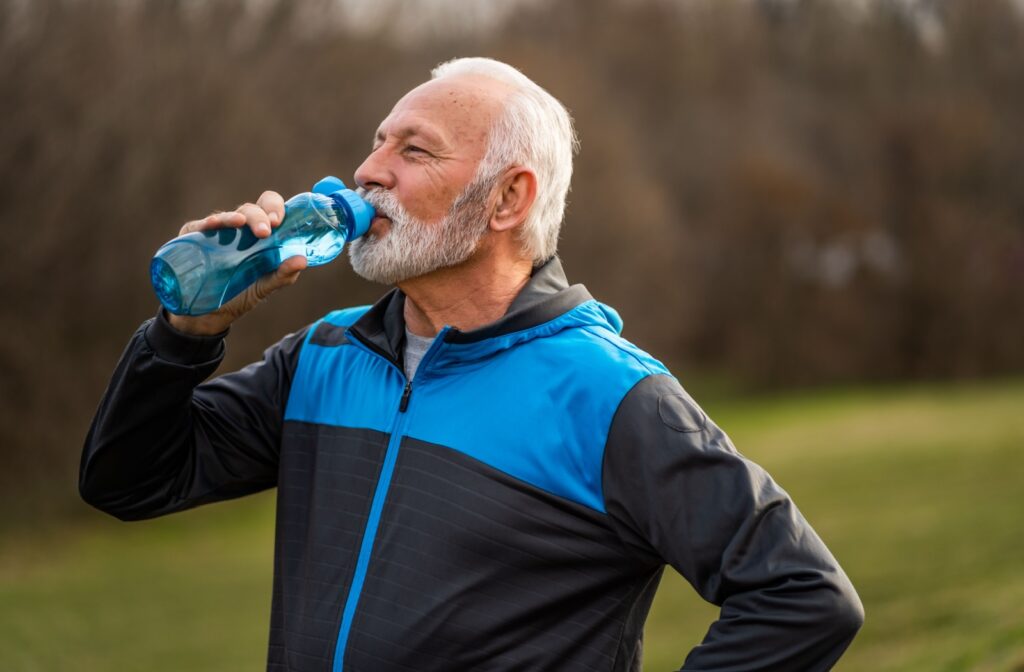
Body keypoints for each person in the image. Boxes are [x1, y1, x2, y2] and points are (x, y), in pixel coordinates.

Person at [80, 57, 863, 671]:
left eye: (413, 150)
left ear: (506, 200)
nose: (369, 171)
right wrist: (183, 335)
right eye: (379, 141)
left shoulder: (608, 394)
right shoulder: (327, 355)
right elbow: (130, 479)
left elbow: (802, 597)